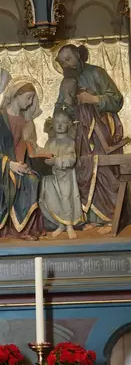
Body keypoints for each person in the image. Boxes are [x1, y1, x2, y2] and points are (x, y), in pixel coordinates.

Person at [55, 44, 124, 234]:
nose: (66, 64)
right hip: (80, 135)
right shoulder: (66, 82)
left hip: (102, 133)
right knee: (83, 171)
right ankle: (92, 217)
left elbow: (117, 100)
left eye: (68, 59)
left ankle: (111, 217)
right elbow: (60, 110)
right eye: (62, 62)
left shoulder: (96, 73)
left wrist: (94, 99)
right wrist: (66, 104)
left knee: (105, 171)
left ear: (78, 55)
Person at [0, 80, 46, 241]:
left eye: (32, 99)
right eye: (28, 97)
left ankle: (24, 227)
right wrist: (9, 164)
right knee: (28, 181)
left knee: (34, 177)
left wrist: (27, 162)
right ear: (17, 95)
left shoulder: (24, 119)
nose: (30, 103)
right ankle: (19, 230)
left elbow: (26, 146)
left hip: (18, 164)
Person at [39, 111, 83, 239]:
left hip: (65, 176)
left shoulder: (70, 142)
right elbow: (44, 156)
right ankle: (61, 224)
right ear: (52, 124)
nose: (59, 125)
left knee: (66, 199)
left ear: (69, 125)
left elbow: (72, 159)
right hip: (51, 177)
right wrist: (44, 160)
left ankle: (69, 225)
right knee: (53, 200)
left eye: (63, 122)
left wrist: (57, 161)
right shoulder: (49, 142)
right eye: (57, 122)